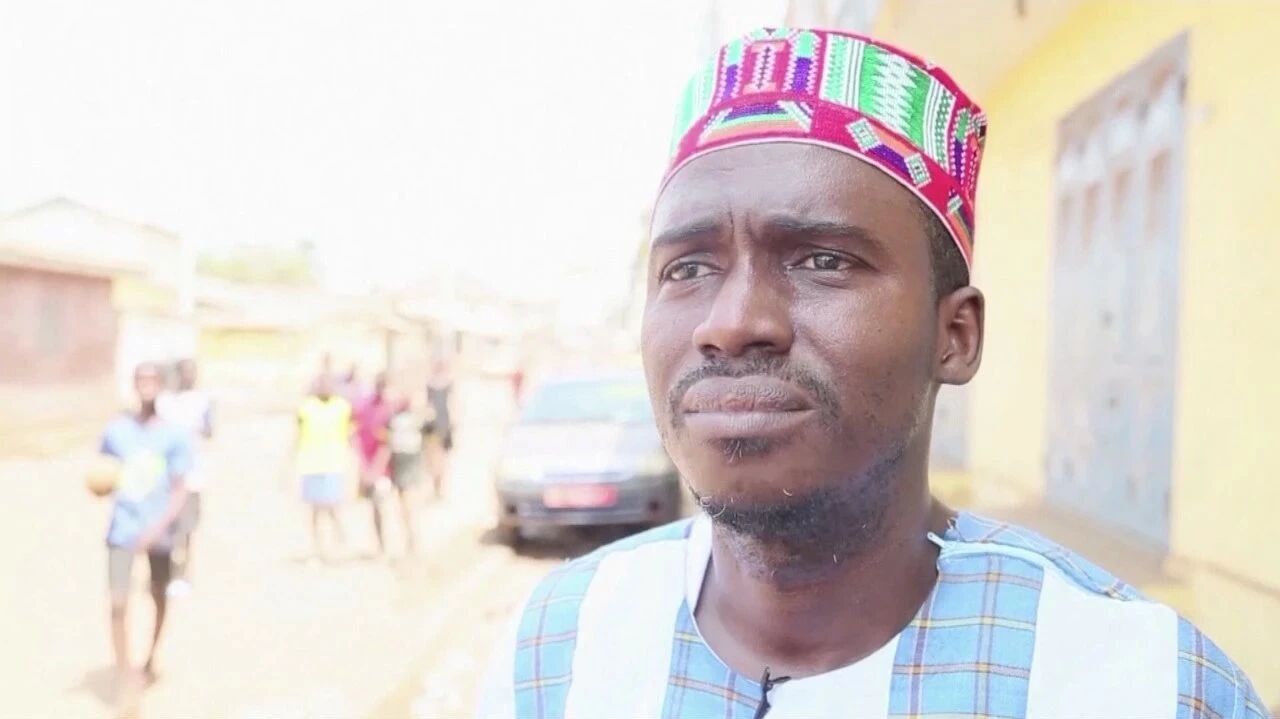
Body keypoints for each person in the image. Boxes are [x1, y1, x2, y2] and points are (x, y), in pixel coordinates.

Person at [478, 28, 1265, 718]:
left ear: (954, 335)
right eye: (687, 269)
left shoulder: (1143, 685)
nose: (731, 322)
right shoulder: (561, 645)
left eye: (823, 259)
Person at [99, 362, 192, 686]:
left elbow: (180, 489)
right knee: (118, 602)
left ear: (161, 385)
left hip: (158, 531)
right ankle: (125, 671)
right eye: (141, 379)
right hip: (122, 529)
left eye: (152, 379)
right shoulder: (117, 431)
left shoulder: (174, 435)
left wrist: (157, 528)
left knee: (157, 595)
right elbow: (105, 471)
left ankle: (151, 656)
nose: (146, 385)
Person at [156, 358, 213, 598]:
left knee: (187, 530)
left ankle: (183, 574)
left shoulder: (202, 402)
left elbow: (209, 431)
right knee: (166, 528)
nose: (190, 376)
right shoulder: (164, 402)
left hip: (192, 476)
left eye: (193, 372)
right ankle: (165, 573)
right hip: (166, 477)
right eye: (186, 372)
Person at [294, 372, 352, 562]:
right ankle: (317, 549)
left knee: (333, 507)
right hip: (312, 464)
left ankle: (339, 545)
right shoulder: (306, 408)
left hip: (334, 464)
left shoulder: (342, 407)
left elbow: (351, 432)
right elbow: (297, 435)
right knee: (315, 510)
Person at [380, 390, 430, 555]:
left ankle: (412, 537)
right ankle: (411, 537)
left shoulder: (403, 420)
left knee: (407, 500)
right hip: (404, 459)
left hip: (407, 459)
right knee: (406, 500)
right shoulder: (407, 420)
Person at [354, 371, 396, 555]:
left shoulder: (392, 409)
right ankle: (382, 545)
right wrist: (365, 468)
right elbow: (356, 438)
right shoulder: (366, 408)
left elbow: (387, 445)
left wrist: (375, 469)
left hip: (386, 468)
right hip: (371, 467)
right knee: (376, 507)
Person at [424, 359, 454, 499]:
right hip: (437, 425)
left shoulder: (445, 384)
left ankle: (438, 487)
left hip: (441, 425)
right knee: (436, 458)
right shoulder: (433, 385)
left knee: (439, 458)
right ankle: (437, 487)